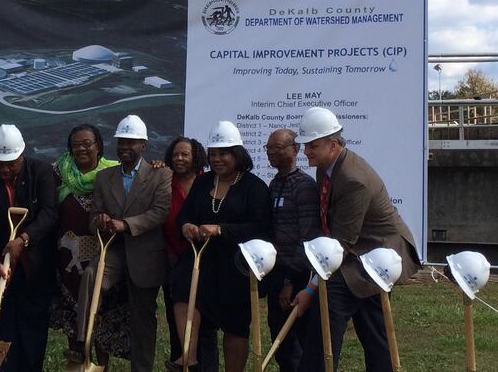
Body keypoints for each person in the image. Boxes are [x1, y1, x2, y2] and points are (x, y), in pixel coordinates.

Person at [291, 107, 421, 372]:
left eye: (312, 146)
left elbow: (340, 245)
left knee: (328, 305)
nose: (306, 152)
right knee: (373, 324)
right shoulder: (326, 165)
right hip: (361, 251)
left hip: (379, 251)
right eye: (305, 146)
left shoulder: (353, 180)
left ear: (334, 144)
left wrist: (310, 289)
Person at [170, 120, 271, 372]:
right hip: (202, 260)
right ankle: (189, 360)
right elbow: (184, 215)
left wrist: (221, 229)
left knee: (235, 326)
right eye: (213, 154)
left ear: (237, 154)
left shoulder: (254, 187)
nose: (217, 159)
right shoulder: (204, 183)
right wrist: (186, 227)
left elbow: (261, 228)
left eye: (223, 154)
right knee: (182, 288)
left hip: (237, 265)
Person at [77, 114, 172, 372]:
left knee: (142, 320)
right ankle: (81, 343)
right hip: (115, 251)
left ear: (143, 145)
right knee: (91, 275)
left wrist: (126, 224)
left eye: (131, 143)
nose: (125, 148)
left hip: (145, 255)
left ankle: (141, 369)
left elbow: (160, 212)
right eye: (121, 143)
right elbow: (93, 217)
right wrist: (102, 220)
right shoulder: (104, 177)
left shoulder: (160, 174)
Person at [0, 124, 58, 371]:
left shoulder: (40, 172)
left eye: (11, 163)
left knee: (32, 332)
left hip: (34, 268)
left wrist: (23, 240)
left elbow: (49, 214)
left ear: (22, 155)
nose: (5, 169)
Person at [49, 124, 126, 366]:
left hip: (105, 255)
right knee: (73, 318)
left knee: (100, 316)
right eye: (76, 144)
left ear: (99, 146)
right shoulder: (58, 172)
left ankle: (100, 367)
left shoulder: (115, 173)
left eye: (87, 143)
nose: (81, 148)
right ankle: (77, 362)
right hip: (68, 259)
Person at [263, 128, 321, 372]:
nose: (272, 153)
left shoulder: (304, 186)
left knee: (296, 338)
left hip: (296, 277)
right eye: (269, 148)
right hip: (276, 273)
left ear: (295, 150)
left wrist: (290, 280)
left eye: (278, 147)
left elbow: (308, 235)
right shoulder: (274, 184)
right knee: (279, 338)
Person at [161, 137, 219, 372]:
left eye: (185, 154)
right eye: (175, 154)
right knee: (177, 323)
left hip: (206, 262)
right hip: (172, 262)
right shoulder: (164, 181)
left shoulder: (208, 182)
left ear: (196, 156)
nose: (179, 158)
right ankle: (182, 364)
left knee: (206, 325)